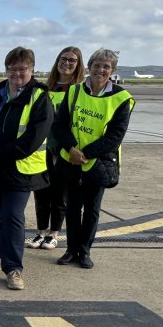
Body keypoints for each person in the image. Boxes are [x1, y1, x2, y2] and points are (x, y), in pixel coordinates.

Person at [0, 46, 53, 290]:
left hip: (18, 171)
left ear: (32, 70)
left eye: (22, 69)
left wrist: (0, 156)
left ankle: (14, 268)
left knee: (12, 217)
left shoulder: (40, 98)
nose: (16, 74)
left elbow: (33, 139)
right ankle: (2, 254)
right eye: (12, 69)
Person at [52, 48, 134, 269]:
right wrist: (71, 149)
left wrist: (86, 154)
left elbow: (115, 136)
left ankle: (84, 251)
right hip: (71, 159)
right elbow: (59, 125)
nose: (101, 70)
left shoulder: (121, 98)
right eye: (97, 65)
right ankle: (70, 250)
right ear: (90, 67)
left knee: (92, 210)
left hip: (98, 162)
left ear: (112, 70)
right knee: (72, 208)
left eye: (106, 66)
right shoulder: (74, 92)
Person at [29, 47, 84, 250]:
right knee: (41, 193)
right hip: (42, 150)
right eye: (63, 59)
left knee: (60, 195)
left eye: (72, 60)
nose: (67, 63)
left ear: (78, 65)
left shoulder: (78, 91)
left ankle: (54, 234)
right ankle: (40, 232)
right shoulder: (45, 89)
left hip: (63, 151)